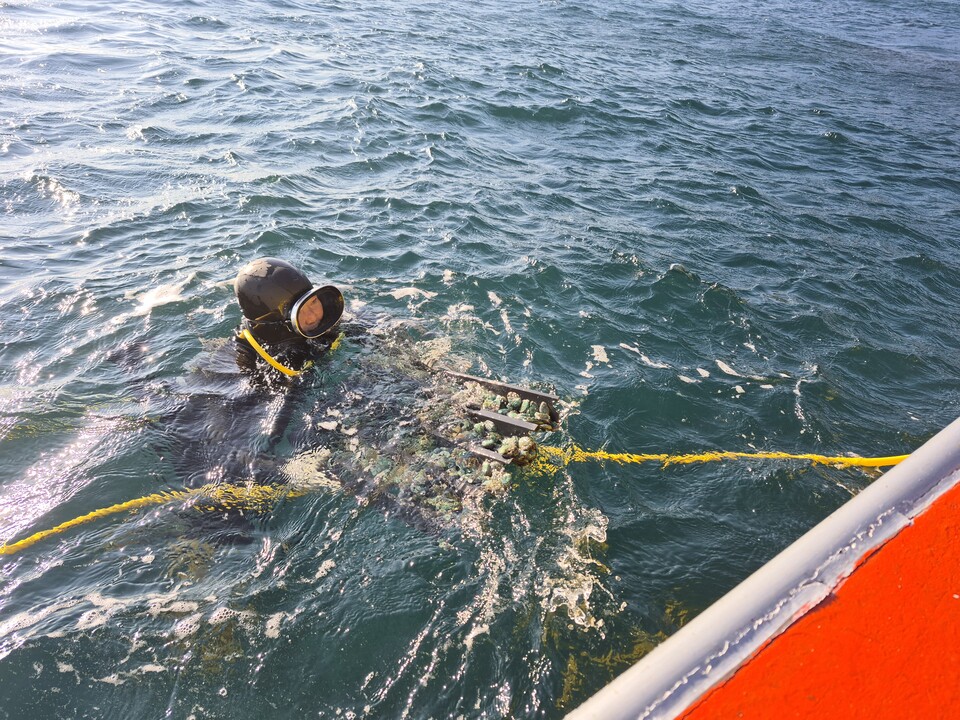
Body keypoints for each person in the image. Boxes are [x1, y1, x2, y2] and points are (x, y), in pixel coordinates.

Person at [233, 257, 345, 379]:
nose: (313, 317)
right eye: (300, 311)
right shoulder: (248, 359)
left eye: (313, 301)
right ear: (277, 322)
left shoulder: (331, 317)